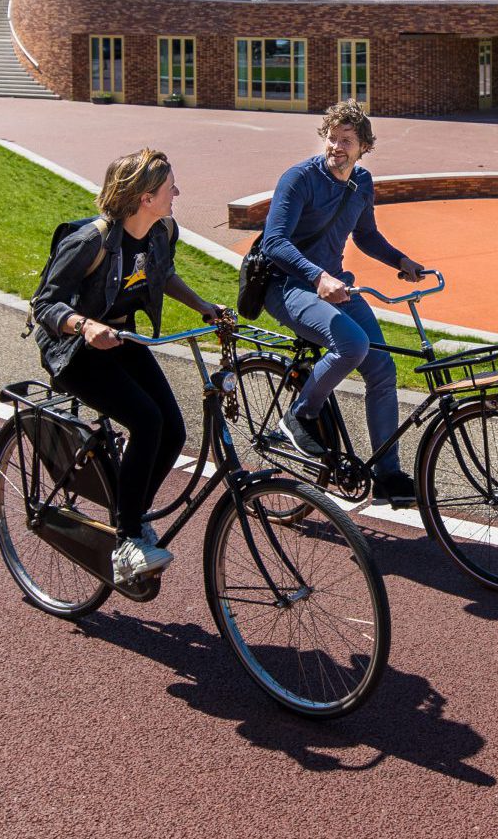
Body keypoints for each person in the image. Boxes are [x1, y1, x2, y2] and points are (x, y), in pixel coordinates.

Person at [29, 148, 233, 583]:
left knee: (173, 430)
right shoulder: (91, 242)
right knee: (146, 420)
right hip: (76, 350)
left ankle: (133, 514)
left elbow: (162, 274)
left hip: (121, 338)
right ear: (144, 197)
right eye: (169, 187)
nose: (176, 192)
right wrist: (83, 327)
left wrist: (202, 306)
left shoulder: (160, 232)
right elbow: (44, 302)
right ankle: (126, 541)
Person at [258, 103, 431, 507]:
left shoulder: (361, 182)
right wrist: (317, 276)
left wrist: (400, 260)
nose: (336, 147)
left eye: (347, 141)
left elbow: (366, 235)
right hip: (288, 285)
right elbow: (274, 242)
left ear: (364, 147)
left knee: (383, 368)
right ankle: (299, 415)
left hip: (336, 287)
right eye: (332, 138)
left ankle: (387, 475)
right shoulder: (299, 179)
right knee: (352, 345)